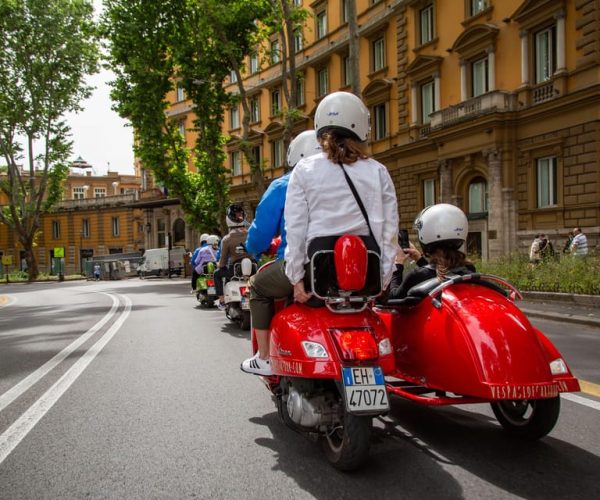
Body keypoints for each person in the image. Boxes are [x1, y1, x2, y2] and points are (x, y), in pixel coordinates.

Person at [241, 91, 399, 376]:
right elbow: (389, 233)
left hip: (317, 276)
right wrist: (382, 281)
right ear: (362, 128)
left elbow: (297, 229)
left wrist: (296, 279)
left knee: (258, 287)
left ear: (320, 129)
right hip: (365, 277)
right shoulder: (378, 171)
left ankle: (264, 357)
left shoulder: (306, 169)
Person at [245, 130, 322, 261]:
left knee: (256, 281)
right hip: (342, 261)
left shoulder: (282, 186)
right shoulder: (343, 178)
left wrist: (251, 246)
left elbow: (260, 235)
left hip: (296, 265)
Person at [387, 204, 474, 299]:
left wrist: (398, 264)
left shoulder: (417, 275)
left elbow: (393, 297)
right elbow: (433, 274)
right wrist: (419, 259)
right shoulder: (468, 269)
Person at [214, 204, 252, 310]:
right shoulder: (251, 234)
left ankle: (222, 301)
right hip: (254, 269)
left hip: (235, 271)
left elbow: (223, 262)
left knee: (217, 274)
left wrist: (219, 264)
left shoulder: (227, 239)